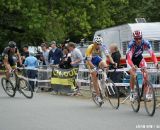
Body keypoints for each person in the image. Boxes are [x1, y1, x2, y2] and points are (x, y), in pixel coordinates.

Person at [126, 30, 160, 101]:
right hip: (130, 60)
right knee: (133, 74)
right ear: (134, 39)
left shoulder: (146, 43)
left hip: (139, 58)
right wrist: (132, 65)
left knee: (145, 73)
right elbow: (128, 58)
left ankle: (145, 95)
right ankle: (132, 92)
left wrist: (156, 63)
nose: (138, 40)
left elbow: (152, 54)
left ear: (142, 37)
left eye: (140, 38)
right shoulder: (131, 45)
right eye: (136, 39)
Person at [85, 36, 116, 103]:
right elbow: (89, 61)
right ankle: (98, 96)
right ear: (94, 43)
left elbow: (108, 56)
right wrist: (94, 68)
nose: (98, 46)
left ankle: (104, 79)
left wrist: (113, 62)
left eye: (100, 44)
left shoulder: (103, 46)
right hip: (90, 62)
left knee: (105, 65)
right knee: (94, 75)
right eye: (97, 44)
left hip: (97, 59)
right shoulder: (90, 48)